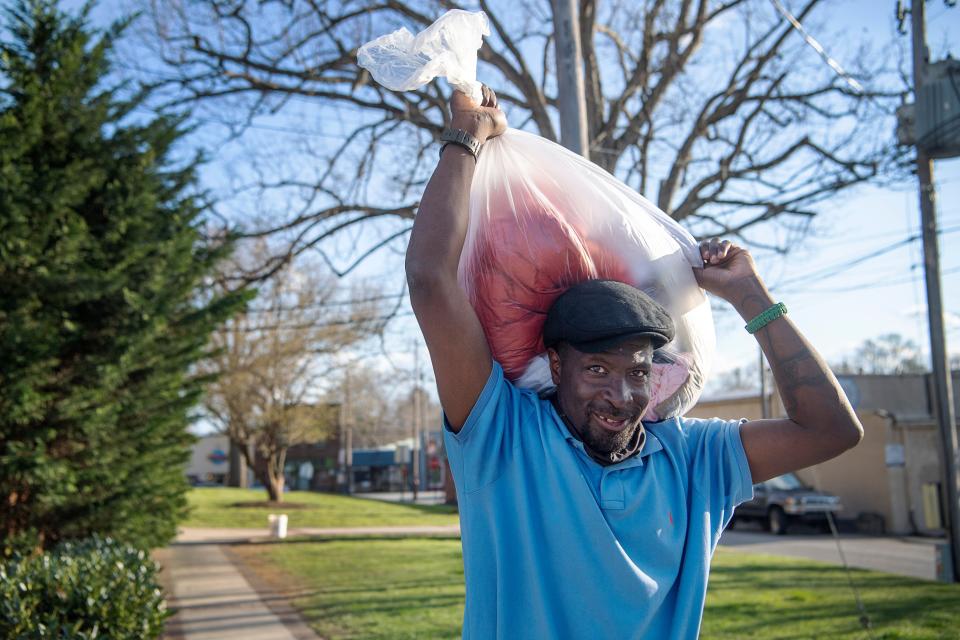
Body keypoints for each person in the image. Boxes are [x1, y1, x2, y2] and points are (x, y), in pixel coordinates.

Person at [405, 85, 863, 640]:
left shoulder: (694, 459)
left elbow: (832, 430)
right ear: (555, 365)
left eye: (638, 371)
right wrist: (465, 137)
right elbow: (432, 281)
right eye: (596, 369)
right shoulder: (503, 438)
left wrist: (752, 298)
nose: (621, 395)